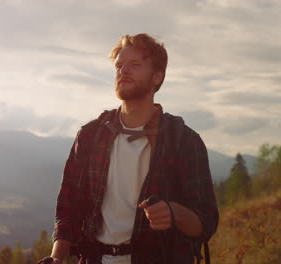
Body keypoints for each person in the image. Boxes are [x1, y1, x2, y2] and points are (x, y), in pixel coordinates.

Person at [43, 33, 219, 264]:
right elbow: (68, 207)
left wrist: (173, 212)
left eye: (135, 65)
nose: (123, 71)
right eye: (119, 65)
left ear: (157, 76)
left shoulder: (183, 141)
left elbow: (205, 222)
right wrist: (56, 257)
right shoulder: (90, 136)